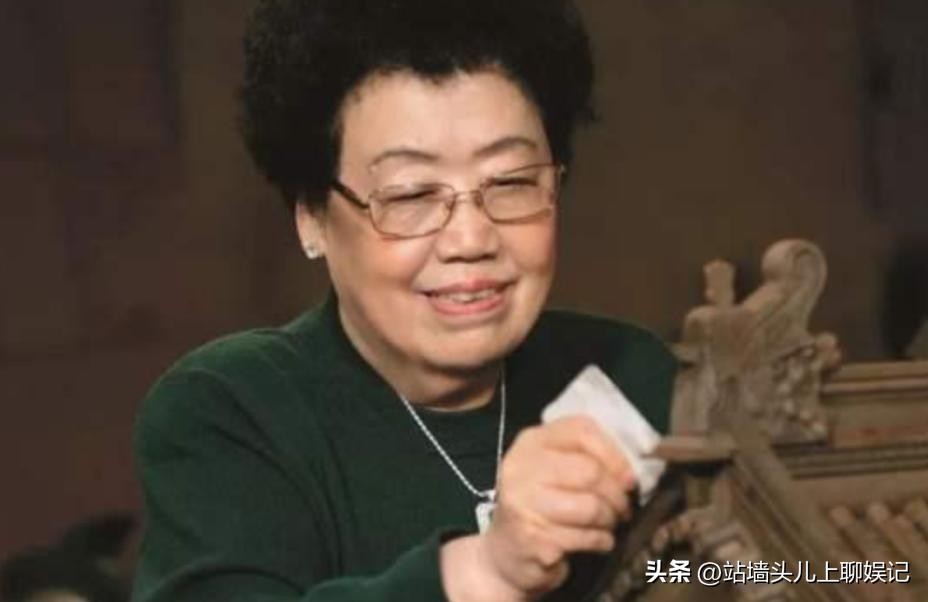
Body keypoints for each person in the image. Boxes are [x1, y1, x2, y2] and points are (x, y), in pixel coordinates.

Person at [131, 1, 677, 601]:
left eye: (512, 182)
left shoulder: (629, 376)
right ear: (311, 215)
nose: (470, 239)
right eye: (411, 195)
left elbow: (734, 573)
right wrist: (485, 571)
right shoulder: (233, 414)